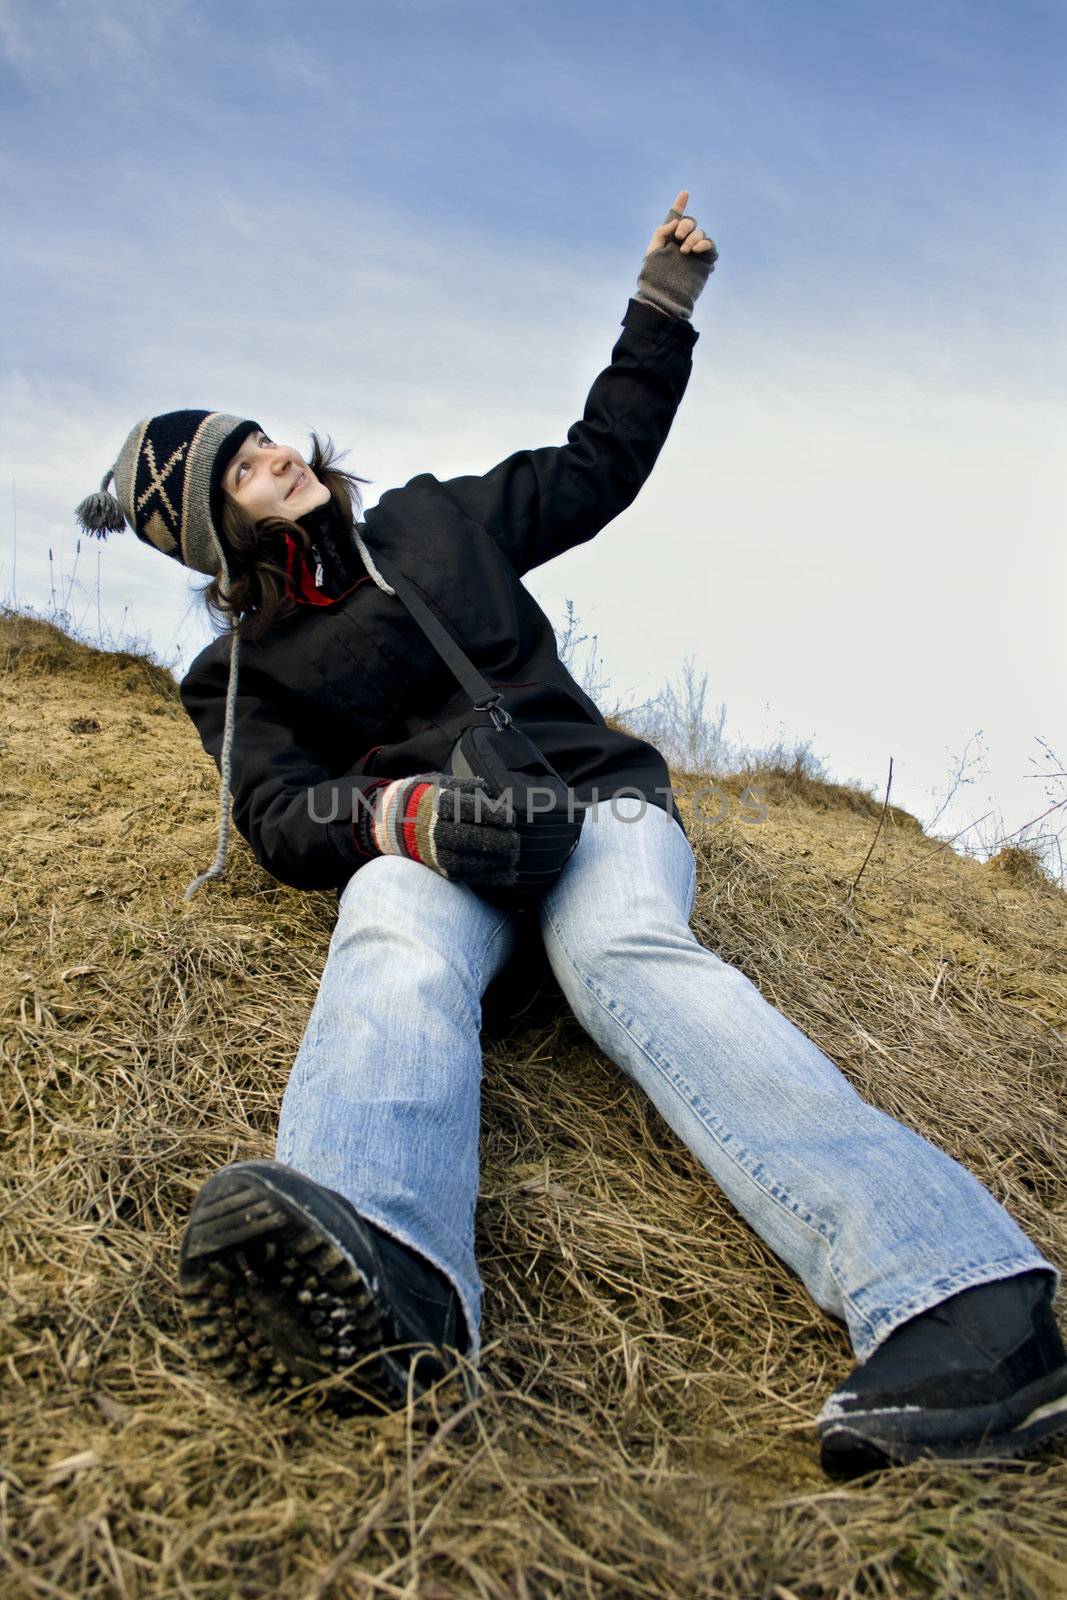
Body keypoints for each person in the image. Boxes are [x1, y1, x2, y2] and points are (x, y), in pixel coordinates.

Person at [75, 191, 1067, 1478]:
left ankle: (963, 1303)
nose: (278, 454)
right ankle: (392, 1277)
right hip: (444, 857)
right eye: (245, 465)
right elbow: (275, 815)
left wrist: (661, 306)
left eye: (267, 436)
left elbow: (596, 462)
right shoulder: (233, 671)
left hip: (594, 809)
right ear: (221, 528)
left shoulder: (431, 520)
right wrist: (405, 815)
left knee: (625, 956)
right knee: (385, 912)